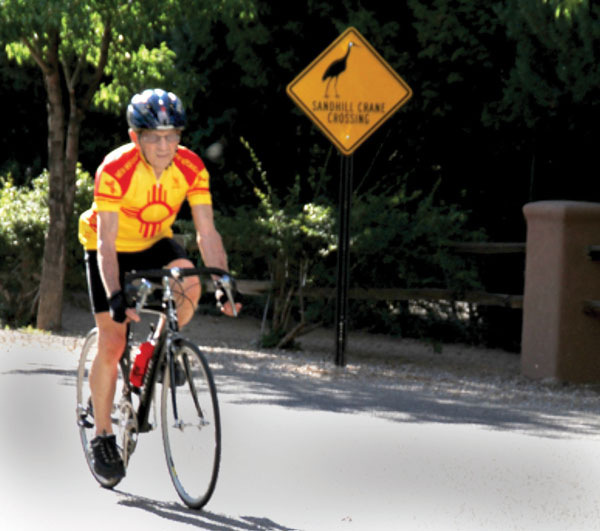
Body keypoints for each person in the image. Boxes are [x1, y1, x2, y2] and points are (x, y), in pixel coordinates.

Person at [78, 88, 241, 483]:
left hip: (154, 243)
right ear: (136, 138)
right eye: (155, 137)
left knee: (189, 278)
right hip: (110, 248)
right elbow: (106, 243)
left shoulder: (191, 167)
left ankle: (155, 352)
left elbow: (206, 231)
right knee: (112, 341)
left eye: (173, 136)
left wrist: (221, 278)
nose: (166, 146)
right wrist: (116, 295)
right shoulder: (115, 169)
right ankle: (103, 434)